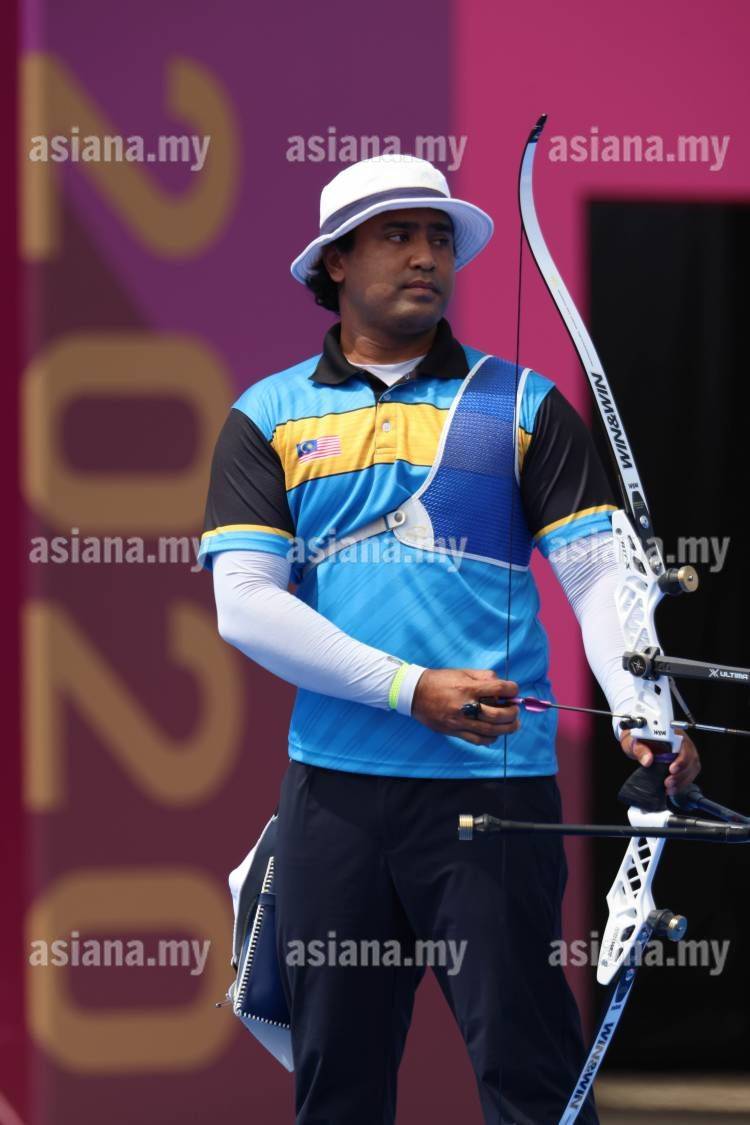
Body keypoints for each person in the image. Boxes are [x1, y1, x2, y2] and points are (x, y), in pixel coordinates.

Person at [198, 156, 700, 1125]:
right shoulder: (269, 415)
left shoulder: (521, 404)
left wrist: (647, 713)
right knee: (337, 1089)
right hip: (334, 799)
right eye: (398, 236)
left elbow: (599, 575)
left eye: (439, 238)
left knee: (532, 1077)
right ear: (336, 260)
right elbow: (245, 604)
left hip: (494, 797)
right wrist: (410, 687)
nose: (427, 256)